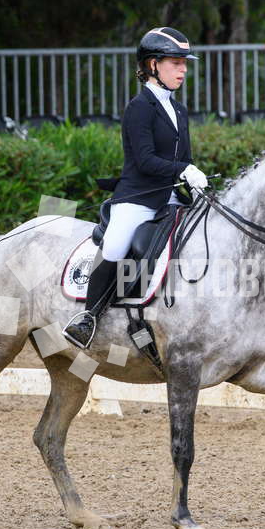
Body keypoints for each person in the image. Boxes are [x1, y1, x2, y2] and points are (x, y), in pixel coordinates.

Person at [62, 26, 209, 350]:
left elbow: (183, 158)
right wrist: (182, 169)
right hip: (138, 198)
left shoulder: (179, 109)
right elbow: (145, 160)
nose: (183, 69)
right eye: (176, 63)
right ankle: (88, 317)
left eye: (184, 63)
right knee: (116, 245)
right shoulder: (139, 107)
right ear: (153, 65)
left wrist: (193, 180)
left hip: (172, 197)